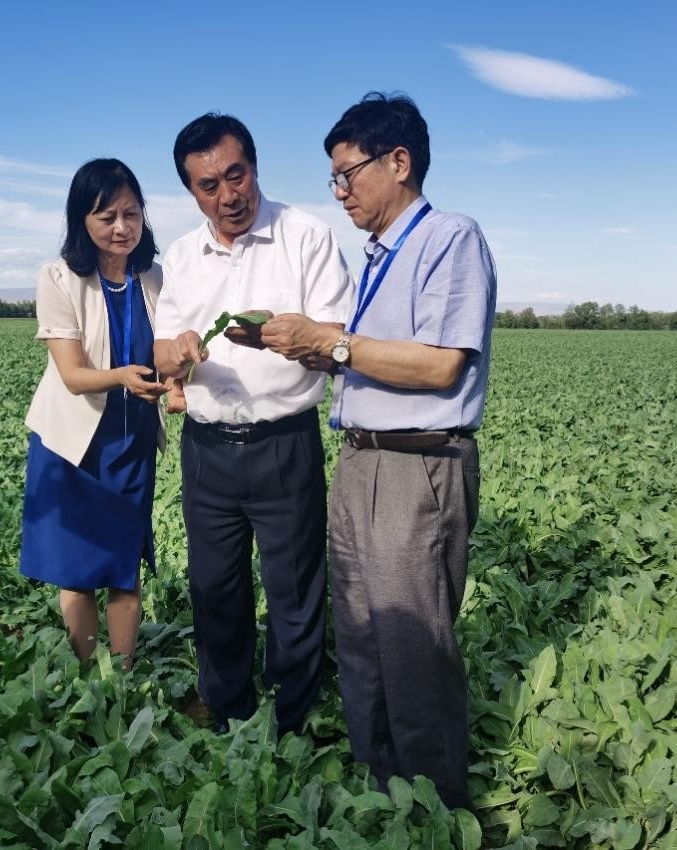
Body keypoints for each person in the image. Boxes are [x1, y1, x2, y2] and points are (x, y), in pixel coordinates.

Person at [259, 92, 497, 809]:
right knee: (361, 629)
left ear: (399, 162)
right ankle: (376, 783)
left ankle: (432, 804)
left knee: (413, 643)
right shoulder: (375, 256)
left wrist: (329, 342)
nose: (339, 192)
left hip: (416, 465)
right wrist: (302, 343)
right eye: (332, 178)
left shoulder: (449, 238)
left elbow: (438, 366)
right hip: (361, 457)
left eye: (348, 173)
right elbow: (366, 356)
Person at [152, 113, 352, 737]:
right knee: (216, 587)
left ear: (254, 167)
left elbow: (341, 341)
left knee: (295, 589)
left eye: (235, 175)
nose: (227, 195)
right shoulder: (183, 256)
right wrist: (180, 347)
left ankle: (293, 713)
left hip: (283, 442)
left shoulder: (306, 236)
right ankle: (226, 700)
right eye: (208, 185)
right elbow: (159, 353)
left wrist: (288, 340)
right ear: (192, 192)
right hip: (207, 446)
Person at [20, 158, 166, 669]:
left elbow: (166, 356)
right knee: (77, 571)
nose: (122, 227)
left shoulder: (154, 278)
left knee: (125, 568)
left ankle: (121, 676)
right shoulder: (58, 278)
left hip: (132, 444)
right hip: (72, 445)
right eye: (107, 217)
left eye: (132, 213)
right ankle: (86, 672)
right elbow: (73, 375)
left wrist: (173, 380)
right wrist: (125, 376)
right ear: (82, 219)